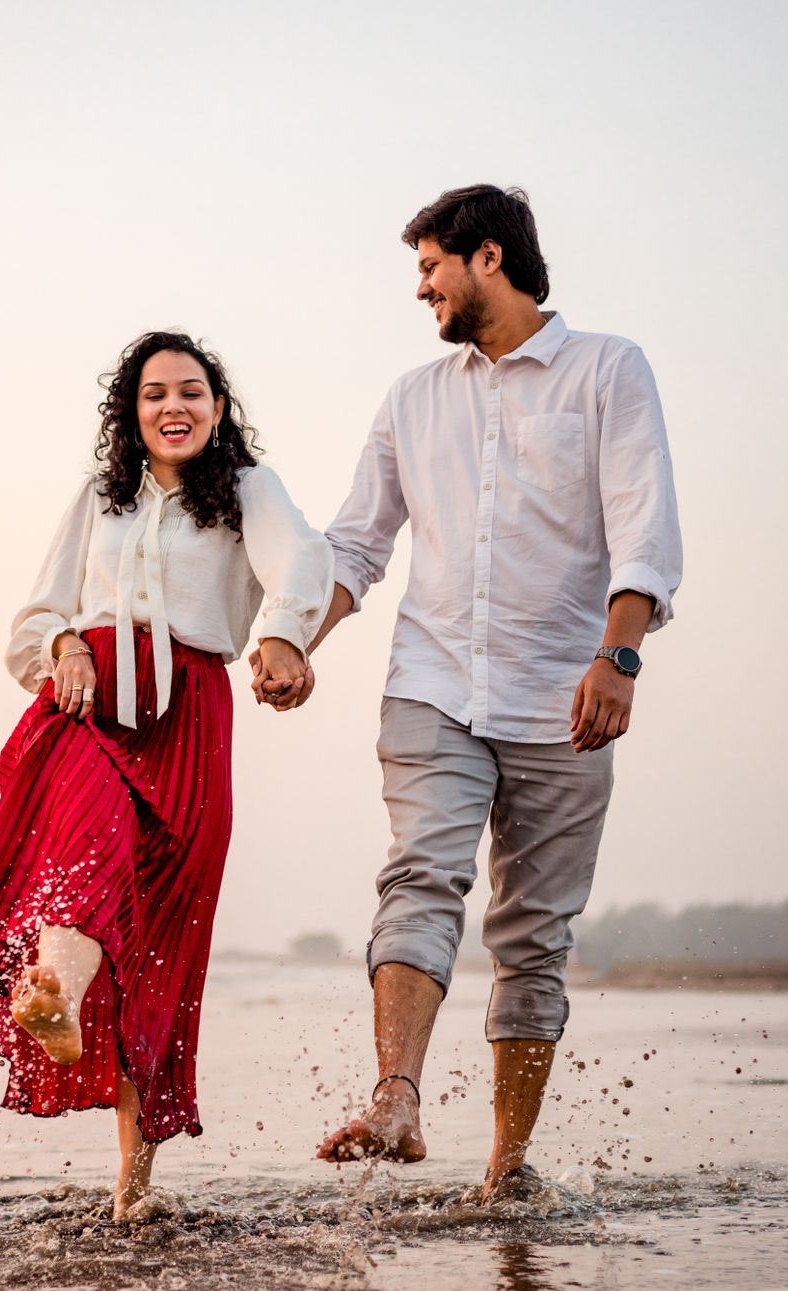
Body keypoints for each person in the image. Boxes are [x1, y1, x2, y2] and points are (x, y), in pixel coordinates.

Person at [254, 183, 682, 1203]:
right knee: (420, 875)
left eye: (429, 266)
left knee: (532, 933)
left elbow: (643, 522)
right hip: (433, 684)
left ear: (487, 257)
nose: (420, 288)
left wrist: (617, 658)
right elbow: (357, 542)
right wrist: (295, 641)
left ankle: (504, 1166)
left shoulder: (607, 370)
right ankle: (396, 1098)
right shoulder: (413, 397)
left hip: (567, 697)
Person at [0, 330, 333, 1219]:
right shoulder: (98, 497)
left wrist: (281, 640)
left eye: (192, 392)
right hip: (90, 705)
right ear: (131, 413)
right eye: (155, 393)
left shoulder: (246, 491)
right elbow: (34, 615)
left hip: (193, 720)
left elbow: (300, 564)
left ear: (218, 407)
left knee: (161, 946)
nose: (174, 406)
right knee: (89, 843)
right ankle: (56, 992)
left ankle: (132, 1189)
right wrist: (64, 642)